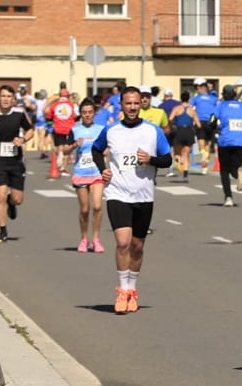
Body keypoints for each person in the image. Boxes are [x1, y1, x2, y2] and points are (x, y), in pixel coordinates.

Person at [91, 87, 173, 314]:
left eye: (136, 103)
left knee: (137, 246)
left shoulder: (152, 131)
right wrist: (103, 170)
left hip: (144, 195)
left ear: (141, 104)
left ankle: (133, 290)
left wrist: (151, 159)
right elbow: (96, 150)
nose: (132, 107)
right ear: (121, 105)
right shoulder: (111, 131)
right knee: (123, 242)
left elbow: (167, 160)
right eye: (128, 103)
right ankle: (122, 290)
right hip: (117, 193)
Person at [0, 85, 35, 243]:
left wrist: (23, 139)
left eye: (8, 96)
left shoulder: (19, 113)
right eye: (2, 96)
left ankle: (12, 204)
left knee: (17, 199)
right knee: (0, 194)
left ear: (13, 99)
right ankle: (2, 230)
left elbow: (30, 130)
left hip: (16, 161)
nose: (5, 99)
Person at [70, 98, 106, 253]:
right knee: (85, 209)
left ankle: (96, 239)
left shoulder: (101, 129)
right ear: (80, 114)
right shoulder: (74, 129)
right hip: (81, 172)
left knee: (97, 206)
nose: (87, 115)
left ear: (94, 113)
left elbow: (108, 146)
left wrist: (106, 150)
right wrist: (74, 145)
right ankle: (84, 239)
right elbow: (64, 150)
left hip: (97, 172)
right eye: (84, 112)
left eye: (90, 112)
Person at [213, 84, 242, 204]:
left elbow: (212, 120)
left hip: (225, 140)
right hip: (240, 141)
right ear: (235, 95)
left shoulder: (221, 106)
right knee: (236, 167)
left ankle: (228, 197)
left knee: (224, 170)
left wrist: (215, 128)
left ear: (224, 95)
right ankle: (239, 174)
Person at [46, 84, 78, 177]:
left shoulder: (54, 105)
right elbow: (77, 115)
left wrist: (49, 127)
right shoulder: (72, 105)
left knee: (59, 146)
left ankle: (59, 154)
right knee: (67, 149)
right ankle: (63, 168)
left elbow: (49, 116)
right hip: (69, 128)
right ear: (68, 96)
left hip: (57, 128)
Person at [190, 78, 219, 174]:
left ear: (200, 87)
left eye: (196, 87)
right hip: (211, 122)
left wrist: (194, 118)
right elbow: (218, 109)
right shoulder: (214, 98)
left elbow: (190, 109)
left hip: (200, 121)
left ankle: (204, 156)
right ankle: (205, 166)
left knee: (201, 145)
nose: (196, 89)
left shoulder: (196, 98)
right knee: (207, 144)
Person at [169, 90, 198, 178]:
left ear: (181, 99)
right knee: (186, 152)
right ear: (189, 99)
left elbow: (170, 119)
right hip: (189, 131)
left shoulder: (177, 108)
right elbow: (198, 123)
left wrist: (172, 126)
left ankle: (179, 159)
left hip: (179, 130)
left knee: (177, 151)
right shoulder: (192, 110)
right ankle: (185, 170)